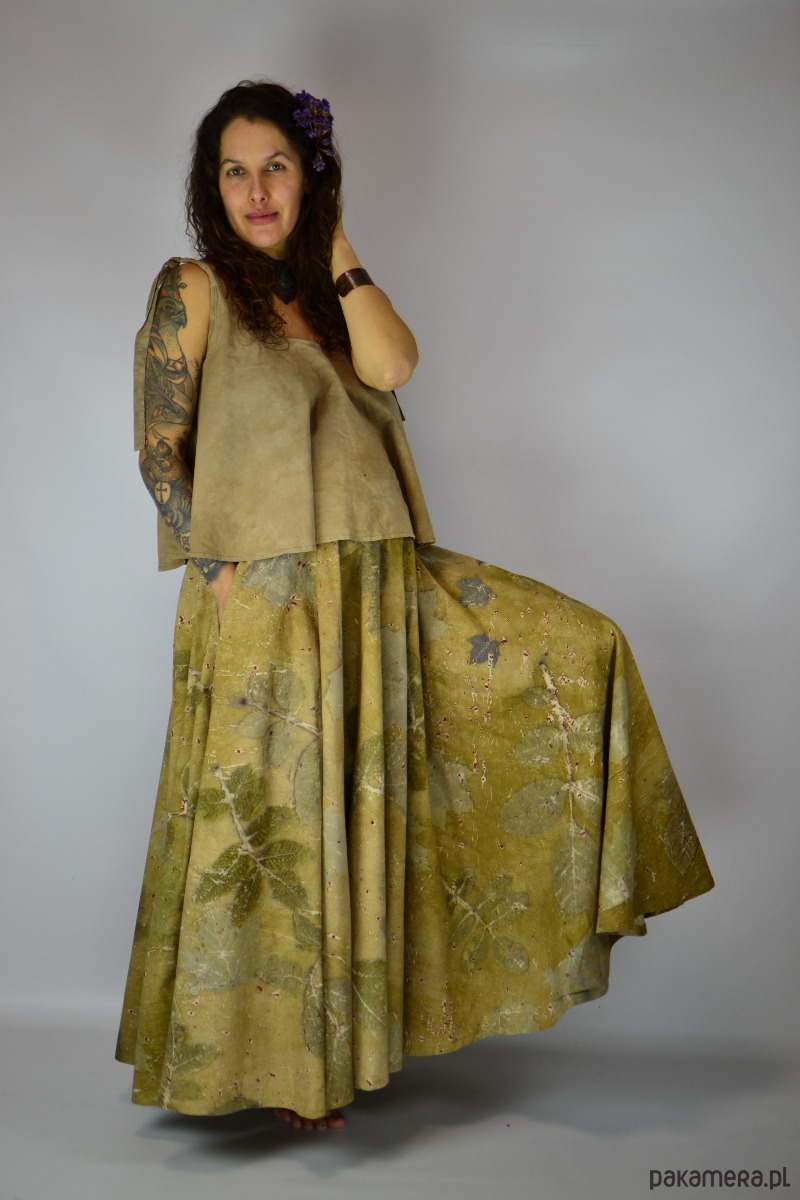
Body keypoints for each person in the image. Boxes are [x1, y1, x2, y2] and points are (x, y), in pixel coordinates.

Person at [115, 79, 714, 1133]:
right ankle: (274, 1074)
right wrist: (221, 575)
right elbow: (160, 450)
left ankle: (335, 1057)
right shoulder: (194, 288)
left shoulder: (330, 296)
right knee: (277, 834)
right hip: (266, 599)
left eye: (277, 167)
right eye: (234, 172)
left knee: (574, 652)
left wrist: (338, 243)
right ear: (212, 188)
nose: (257, 191)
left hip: (377, 588)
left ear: (311, 178)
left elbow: (394, 363)